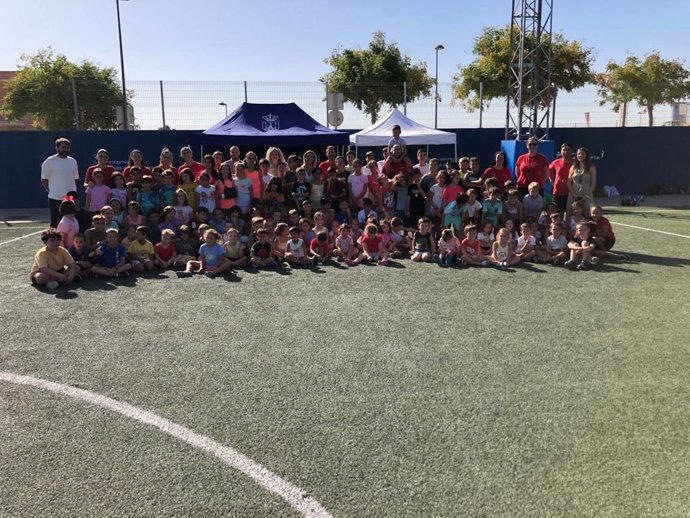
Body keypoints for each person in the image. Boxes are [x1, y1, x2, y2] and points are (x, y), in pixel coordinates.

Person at [41, 137, 80, 227]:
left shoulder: (73, 161)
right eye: (63, 147)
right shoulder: (49, 161)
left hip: (70, 198)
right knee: (56, 223)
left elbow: (74, 178)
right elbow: (44, 180)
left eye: (67, 148)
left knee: (71, 222)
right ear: (57, 148)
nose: (65, 149)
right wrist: (51, 191)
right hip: (55, 198)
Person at [566, 147, 597, 219]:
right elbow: (569, 182)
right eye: (579, 154)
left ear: (586, 155)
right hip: (573, 195)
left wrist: (585, 196)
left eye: (582, 153)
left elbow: (593, 185)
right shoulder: (573, 166)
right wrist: (574, 195)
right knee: (570, 214)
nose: (580, 155)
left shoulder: (591, 168)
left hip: (586, 195)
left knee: (586, 214)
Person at [549, 143, 574, 216]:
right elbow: (549, 169)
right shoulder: (556, 162)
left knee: (570, 213)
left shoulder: (575, 163)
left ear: (572, 151)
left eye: (568, 150)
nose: (566, 151)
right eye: (564, 150)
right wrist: (552, 181)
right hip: (558, 192)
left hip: (571, 192)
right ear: (561, 151)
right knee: (558, 214)